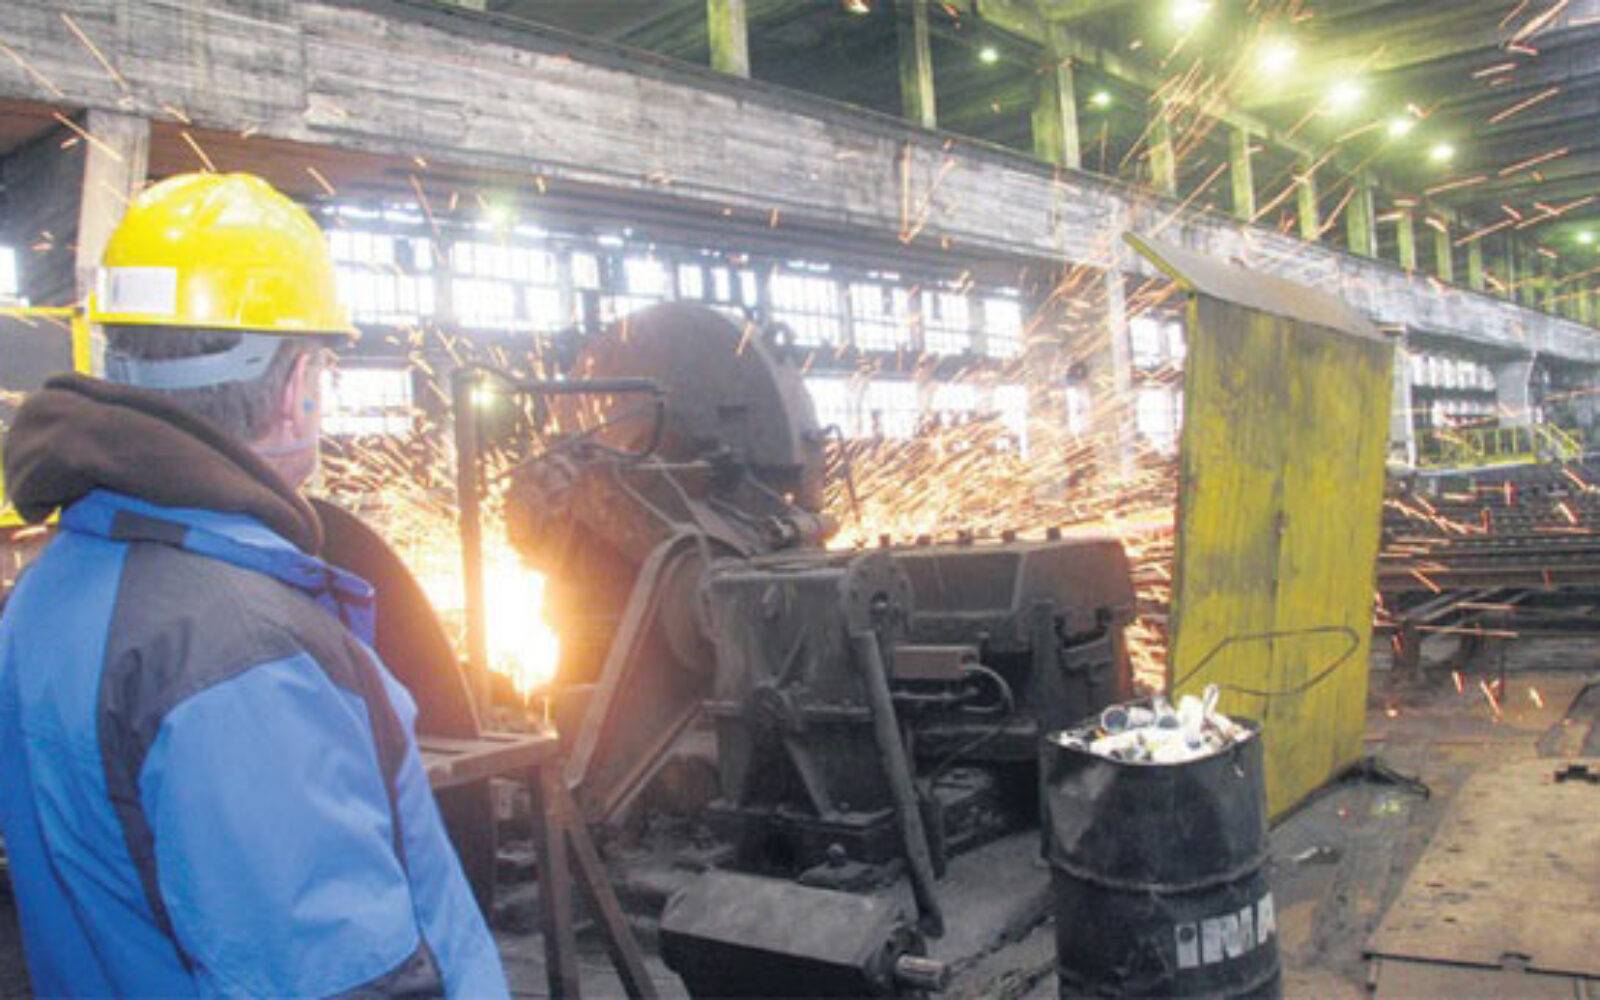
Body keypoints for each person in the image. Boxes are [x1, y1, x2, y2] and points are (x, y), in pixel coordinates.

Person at [0, 173, 508, 997]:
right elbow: (337, 980)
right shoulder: (244, 654)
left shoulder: (57, 581)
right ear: (298, 386)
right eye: (325, 370)